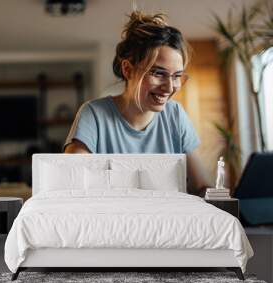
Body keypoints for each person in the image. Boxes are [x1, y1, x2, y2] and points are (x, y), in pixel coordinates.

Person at [64, 11, 212, 196]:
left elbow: (202, 187)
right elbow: (71, 186)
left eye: (177, 76)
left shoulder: (175, 115)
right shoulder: (93, 115)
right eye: (158, 73)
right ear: (127, 69)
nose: (169, 87)